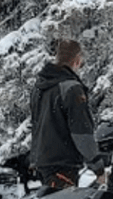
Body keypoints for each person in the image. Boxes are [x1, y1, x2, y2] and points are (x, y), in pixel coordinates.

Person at [31, 38, 101, 190]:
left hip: (42, 161)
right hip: (62, 163)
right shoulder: (71, 88)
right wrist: (97, 165)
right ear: (77, 59)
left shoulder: (40, 87)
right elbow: (81, 131)